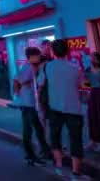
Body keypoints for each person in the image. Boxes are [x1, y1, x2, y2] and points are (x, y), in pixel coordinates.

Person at [37, 39, 87, 179]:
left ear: (53, 52)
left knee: (55, 137)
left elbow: (40, 86)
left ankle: (59, 166)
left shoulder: (47, 67)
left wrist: (40, 105)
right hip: (74, 108)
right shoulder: (76, 68)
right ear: (68, 51)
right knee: (76, 139)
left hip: (55, 108)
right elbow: (83, 87)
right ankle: (76, 172)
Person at [13, 47, 51, 166]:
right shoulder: (28, 68)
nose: (39, 57)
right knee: (29, 131)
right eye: (38, 55)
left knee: (39, 129)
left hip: (32, 104)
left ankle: (45, 152)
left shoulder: (32, 67)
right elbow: (17, 81)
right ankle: (31, 156)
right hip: (28, 104)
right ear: (32, 57)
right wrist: (19, 93)